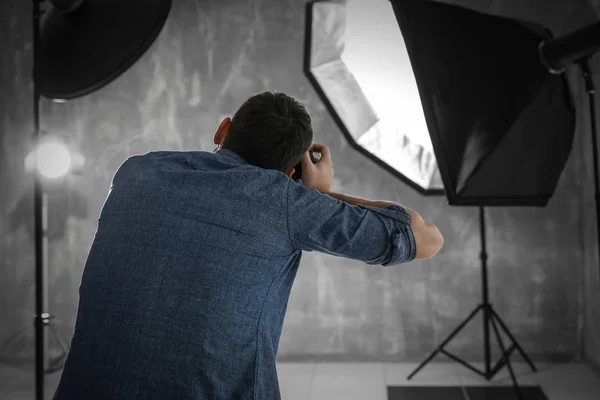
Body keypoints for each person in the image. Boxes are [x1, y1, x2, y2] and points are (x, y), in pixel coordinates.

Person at [52, 91, 443, 400]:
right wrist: (321, 194)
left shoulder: (137, 170)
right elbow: (425, 239)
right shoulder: (287, 203)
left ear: (222, 130)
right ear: (292, 170)